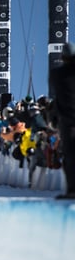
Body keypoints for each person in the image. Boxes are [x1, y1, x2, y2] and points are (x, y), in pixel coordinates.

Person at [50, 41, 75, 198]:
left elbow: (57, 97)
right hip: (67, 119)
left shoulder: (57, 74)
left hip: (68, 120)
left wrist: (53, 117)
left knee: (70, 155)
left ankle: (72, 189)